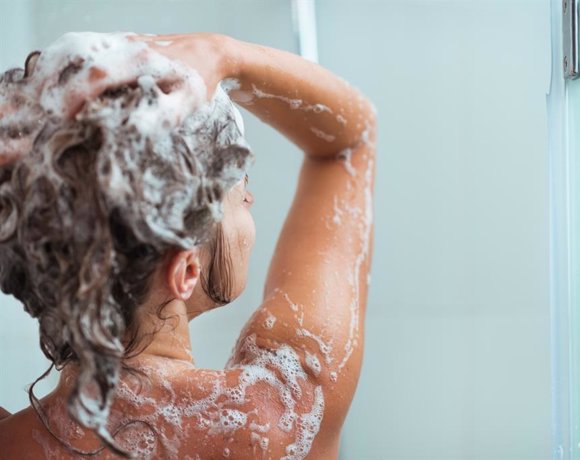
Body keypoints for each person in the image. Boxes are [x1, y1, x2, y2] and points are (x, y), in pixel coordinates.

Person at [0, 31, 376, 459]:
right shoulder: (279, 420)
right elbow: (349, 140)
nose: (249, 198)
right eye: (237, 190)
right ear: (185, 271)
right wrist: (225, 53)